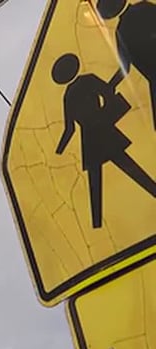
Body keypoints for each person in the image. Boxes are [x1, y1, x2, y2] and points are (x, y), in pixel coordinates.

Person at [53, 53, 156, 228]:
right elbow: (108, 93)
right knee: (123, 165)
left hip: (90, 137)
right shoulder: (87, 81)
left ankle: (96, 225)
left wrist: (59, 150)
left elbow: (69, 129)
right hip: (101, 129)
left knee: (102, 176)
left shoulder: (68, 94)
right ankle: (97, 226)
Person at [97, 0, 156, 129]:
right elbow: (125, 65)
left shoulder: (122, 29)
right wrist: (110, 86)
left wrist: (110, 86)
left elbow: (125, 66)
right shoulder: (143, 8)